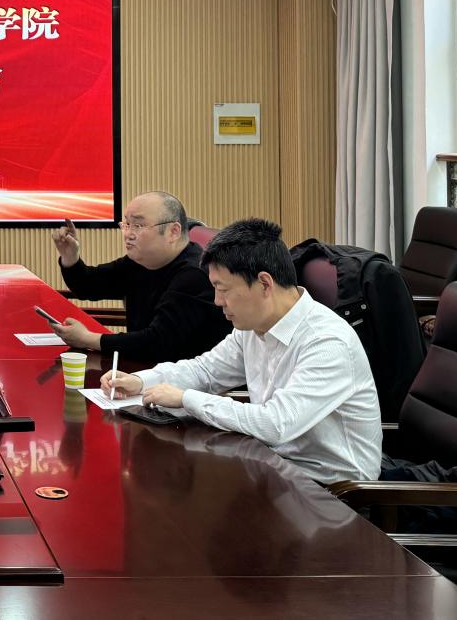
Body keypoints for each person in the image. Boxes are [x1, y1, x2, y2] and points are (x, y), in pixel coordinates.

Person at [103, 218, 383, 485]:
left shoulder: (327, 342)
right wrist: (141, 380)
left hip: (332, 492)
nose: (217, 301)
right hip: (273, 466)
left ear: (264, 284)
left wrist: (186, 399)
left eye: (223, 289)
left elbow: (276, 424)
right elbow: (206, 371)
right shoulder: (252, 326)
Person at [49, 191, 229, 362]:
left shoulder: (195, 274)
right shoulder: (139, 262)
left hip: (186, 378)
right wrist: (70, 257)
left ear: (173, 231)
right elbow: (88, 286)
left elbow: (157, 342)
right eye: (126, 224)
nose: (128, 234)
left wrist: (87, 339)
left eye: (138, 225)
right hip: (146, 369)